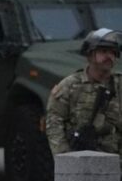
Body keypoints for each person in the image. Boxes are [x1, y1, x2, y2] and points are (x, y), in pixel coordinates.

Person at [46, 28, 122, 157]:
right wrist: (65, 157)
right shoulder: (70, 85)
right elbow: (54, 122)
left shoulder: (119, 85)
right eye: (103, 51)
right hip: (80, 158)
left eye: (112, 52)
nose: (109, 56)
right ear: (90, 55)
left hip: (115, 160)